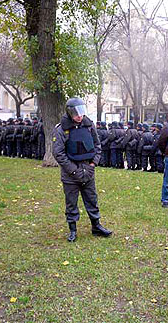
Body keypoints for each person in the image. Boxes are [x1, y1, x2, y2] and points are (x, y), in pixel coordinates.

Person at [52, 97, 112, 242]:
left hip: (88, 169)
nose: (80, 116)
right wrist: (73, 171)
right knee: (71, 202)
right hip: (70, 174)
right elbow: (58, 153)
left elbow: (97, 146)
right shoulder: (61, 129)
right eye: (76, 113)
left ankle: (96, 226)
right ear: (69, 112)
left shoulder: (89, 125)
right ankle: (72, 230)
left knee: (92, 199)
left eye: (81, 112)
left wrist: (92, 165)